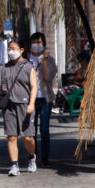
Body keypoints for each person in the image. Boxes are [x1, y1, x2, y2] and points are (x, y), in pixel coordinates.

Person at [0, 40, 37, 176]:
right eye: (9, 49)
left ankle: (32, 157)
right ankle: (14, 165)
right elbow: (2, 86)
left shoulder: (28, 67)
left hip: (24, 105)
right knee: (11, 137)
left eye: (13, 48)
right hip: (9, 106)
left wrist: (31, 104)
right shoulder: (5, 67)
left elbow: (34, 87)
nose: (10, 51)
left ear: (22, 50)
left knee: (27, 137)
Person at [28, 32, 57, 166]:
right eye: (34, 42)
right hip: (31, 99)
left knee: (44, 129)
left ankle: (45, 158)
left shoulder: (50, 59)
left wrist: (44, 60)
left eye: (39, 42)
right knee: (31, 129)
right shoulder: (26, 59)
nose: (36, 45)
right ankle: (32, 156)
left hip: (45, 98)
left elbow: (48, 77)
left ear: (44, 44)